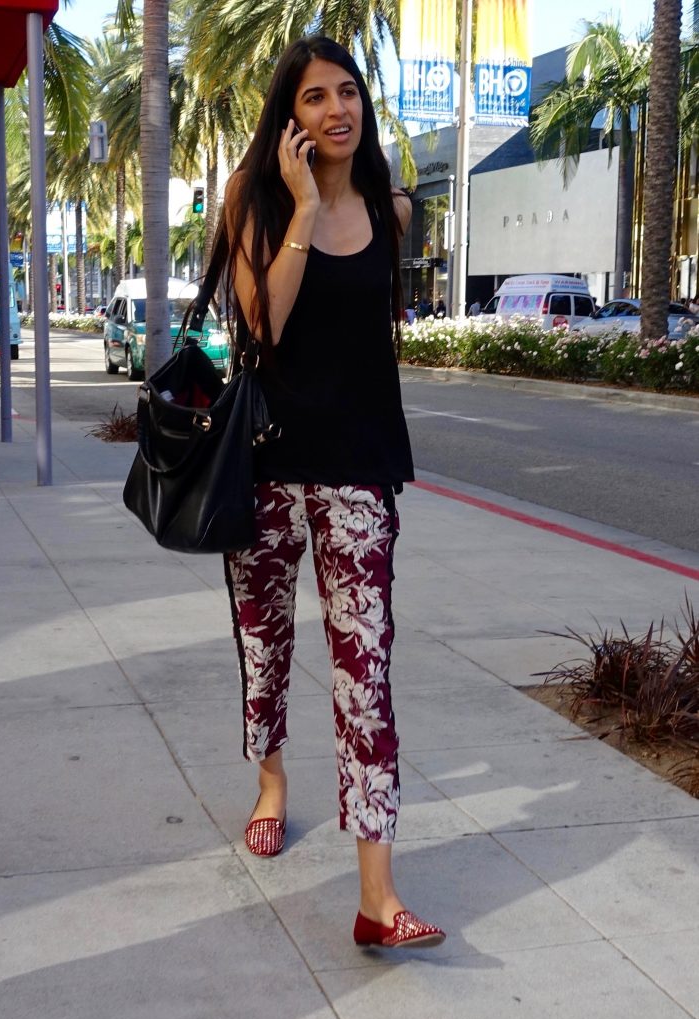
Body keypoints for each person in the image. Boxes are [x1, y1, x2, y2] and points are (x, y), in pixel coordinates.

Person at [218, 35, 445, 950]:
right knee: (264, 645)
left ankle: (377, 899)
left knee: (366, 674)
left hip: (359, 467)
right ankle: (271, 785)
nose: (336, 109)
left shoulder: (394, 209)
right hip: (267, 465)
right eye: (314, 97)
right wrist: (305, 207)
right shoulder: (253, 199)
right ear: (289, 117)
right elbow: (264, 323)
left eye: (347, 91)